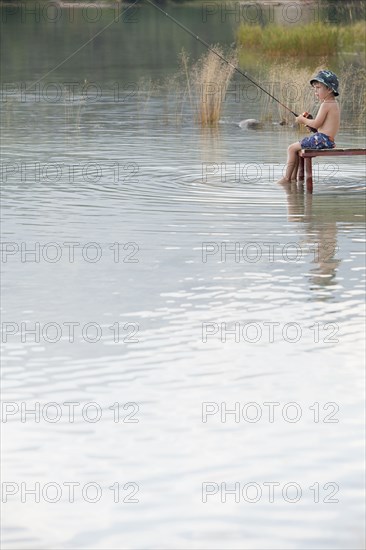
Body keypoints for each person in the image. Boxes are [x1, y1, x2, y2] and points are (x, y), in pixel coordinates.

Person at [276, 70, 340, 184]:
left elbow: (316, 124)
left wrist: (302, 119)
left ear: (329, 89)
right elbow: (320, 127)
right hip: (327, 140)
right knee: (296, 150)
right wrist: (312, 127)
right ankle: (293, 178)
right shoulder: (333, 103)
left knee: (291, 148)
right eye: (314, 88)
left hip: (322, 139)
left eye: (318, 88)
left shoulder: (326, 104)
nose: (315, 91)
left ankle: (287, 179)